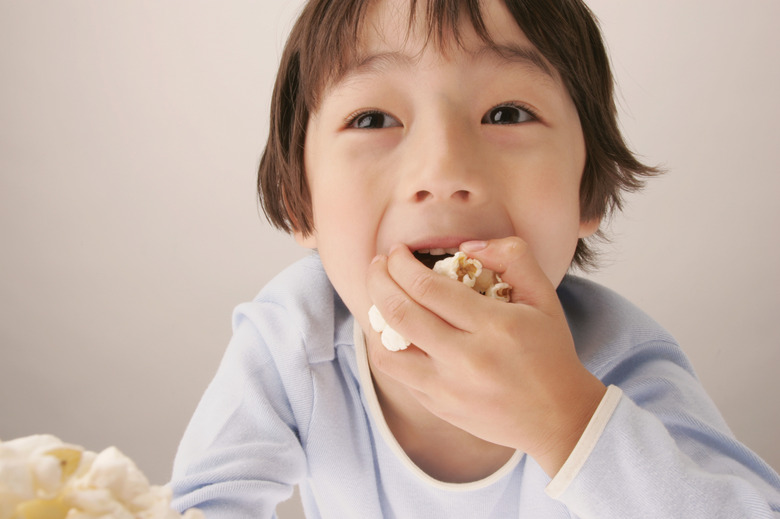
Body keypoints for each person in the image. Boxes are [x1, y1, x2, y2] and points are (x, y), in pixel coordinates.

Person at [170, 0, 780, 517]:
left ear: (587, 191)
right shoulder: (292, 343)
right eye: (373, 118)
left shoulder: (617, 362)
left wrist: (567, 421)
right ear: (298, 203)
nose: (444, 172)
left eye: (507, 113)